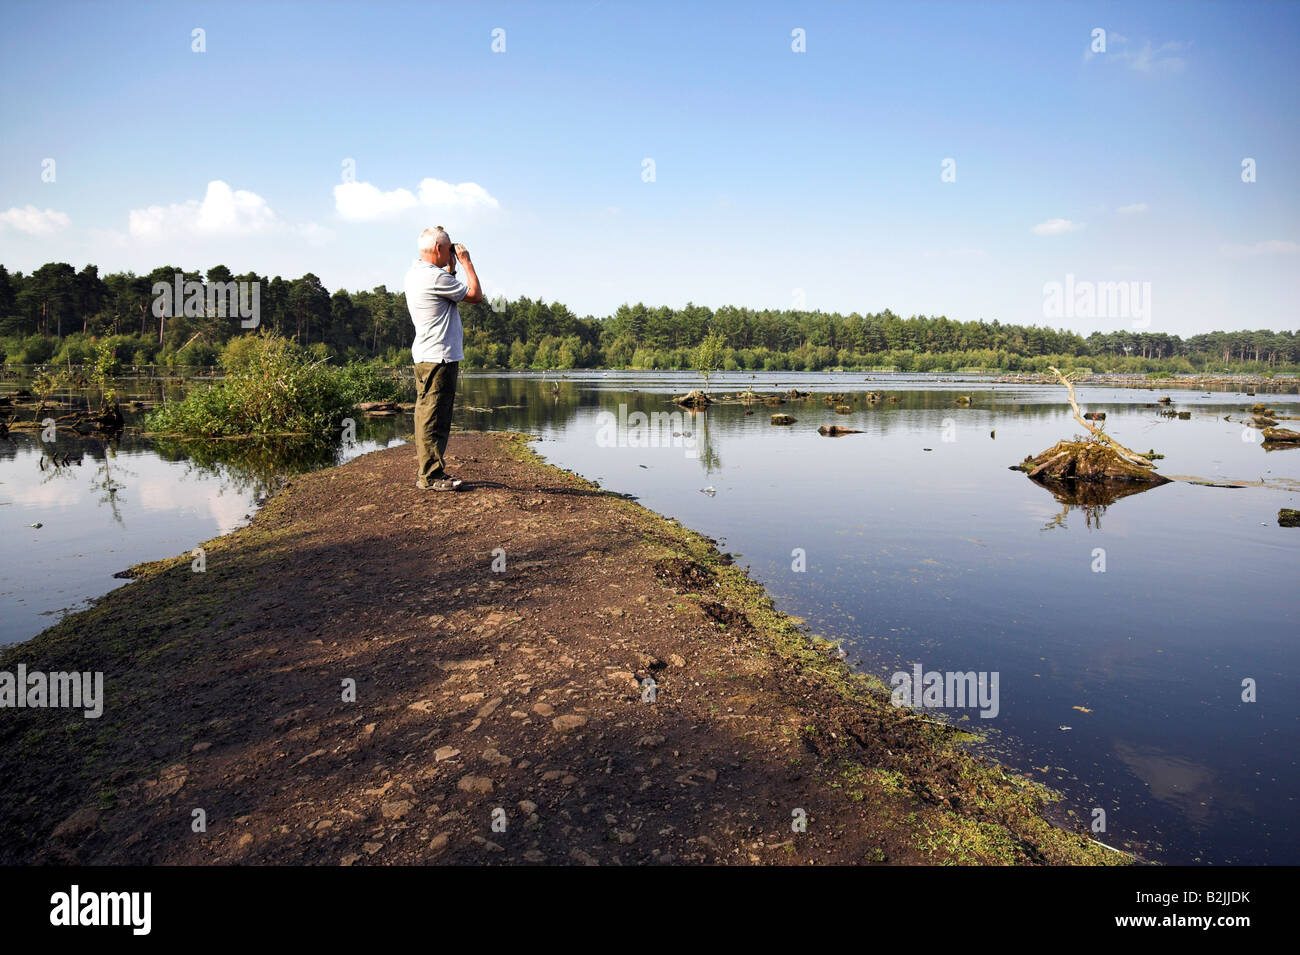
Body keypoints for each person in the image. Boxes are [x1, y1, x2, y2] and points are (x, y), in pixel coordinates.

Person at [405, 226, 483, 490]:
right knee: (433, 417)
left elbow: (448, 296)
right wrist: (467, 263)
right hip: (438, 357)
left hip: (430, 355)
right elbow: (475, 295)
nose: (452, 252)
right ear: (439, 249)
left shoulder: (418, 273)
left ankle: (430, 472)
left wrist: (450, 269)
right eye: (449, 248)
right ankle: (431, 476)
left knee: (430, 414)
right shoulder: (435, 278)